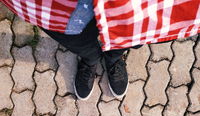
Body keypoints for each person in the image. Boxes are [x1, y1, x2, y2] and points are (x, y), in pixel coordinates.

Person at [1, 0, 200, 100]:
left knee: (129, 32)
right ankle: (90, 59)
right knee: (75, 37)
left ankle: (113, 58)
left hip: (141, 7)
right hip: (66, 5)